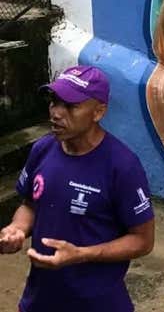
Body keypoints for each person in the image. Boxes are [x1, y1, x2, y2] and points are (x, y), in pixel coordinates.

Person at [0, 65, 155, 312]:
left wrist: (81, 254)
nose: (56, 113)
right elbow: (29, 204)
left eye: (70, 106)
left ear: (98, 112)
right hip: (40, 298)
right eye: (54, 102)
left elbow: (143, 241)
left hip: (97, 302)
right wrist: (17, 228)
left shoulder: (122, 166)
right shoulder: (42, 149)